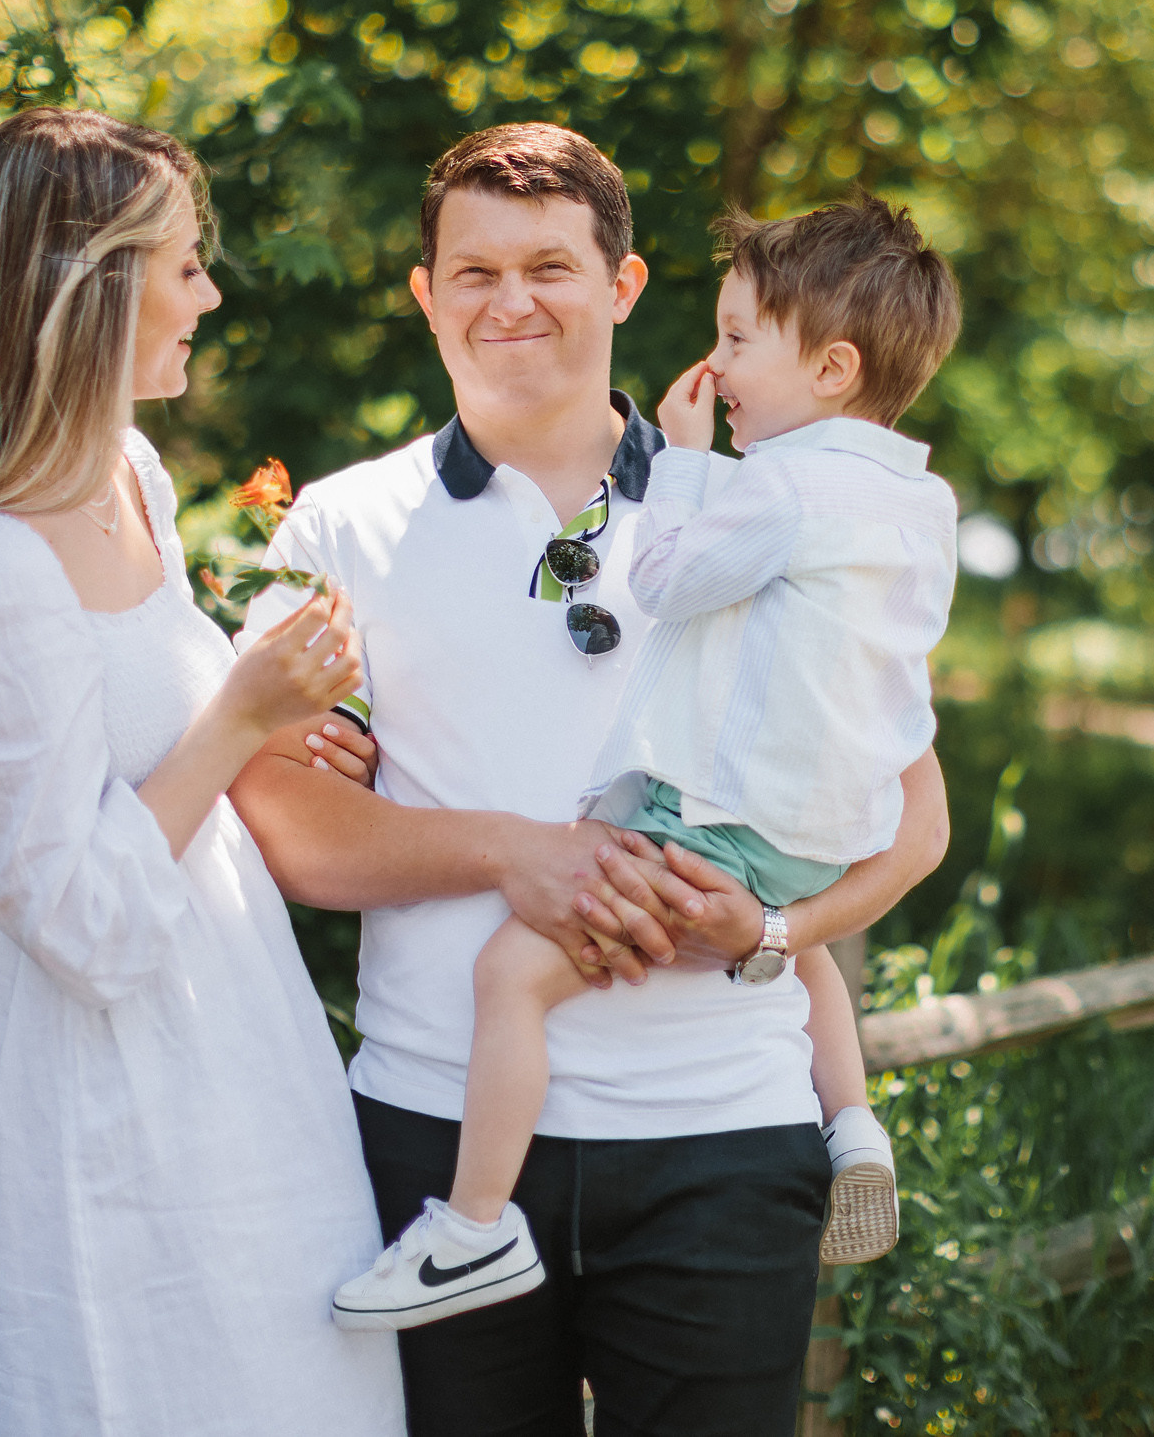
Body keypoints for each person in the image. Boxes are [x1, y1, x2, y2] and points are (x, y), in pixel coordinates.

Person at [227, 122, 953, 1435]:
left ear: (623, 286)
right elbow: (284, 820)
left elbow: (913, 823)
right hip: (433, 1139)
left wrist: (771, 930)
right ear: (426, 294)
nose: (511, 300)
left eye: (551, 267)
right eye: (475, 271)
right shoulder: (339, 524)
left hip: (723, 1141)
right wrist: (513, 852)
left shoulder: (759, 507)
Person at [0, 106, 406, 1437]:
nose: (208, 295)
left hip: (241, 1039)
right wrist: (237, 716)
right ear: (84, 289)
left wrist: (274, 721)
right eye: (184, 265)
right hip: (106, 1088)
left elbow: (154, 748)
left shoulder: (130, 473)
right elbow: (77, 919)